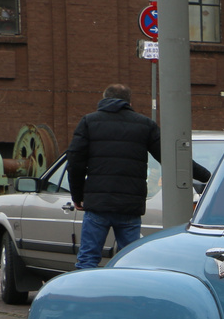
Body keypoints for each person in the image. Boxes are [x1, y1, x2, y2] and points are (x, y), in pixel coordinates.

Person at [64, 83, 210, 269]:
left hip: (98, 204)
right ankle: (128, 295)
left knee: (88, 259)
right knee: (130, 261)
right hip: (129, 206)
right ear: (129, 101)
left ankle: (83, 296)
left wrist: (78, 196)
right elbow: (172, 158)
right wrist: (207, 176)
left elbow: (75, 162)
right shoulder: (144, 124)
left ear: (103, 98)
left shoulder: (89, 122)